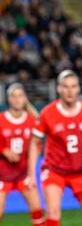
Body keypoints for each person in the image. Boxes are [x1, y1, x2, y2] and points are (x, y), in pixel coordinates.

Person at [27, 70, 82, 226]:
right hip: (54, 171)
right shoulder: (47, 113)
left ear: (78, 88)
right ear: (59, 88)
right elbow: (35, 143)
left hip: (80, 173)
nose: (69, 91)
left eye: (73, 86)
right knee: (52, 215)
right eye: (65, 87)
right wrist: (31, 174)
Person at [0, 83, 45, 225]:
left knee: (38, 212)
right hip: (2, 175)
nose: (17, 99)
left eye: (20, 96)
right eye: (13, 96)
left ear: (25, 98)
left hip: (24, 174)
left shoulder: (33, 121)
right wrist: (4, 150)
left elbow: (38, 145)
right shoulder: (1, 120)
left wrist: (33, 156)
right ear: (8, 99)